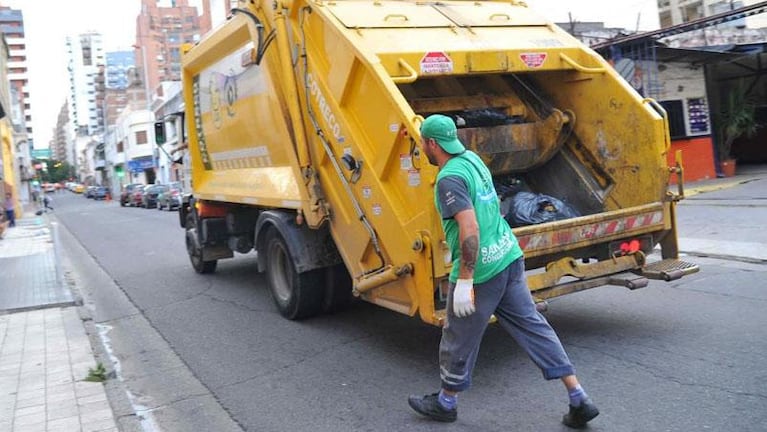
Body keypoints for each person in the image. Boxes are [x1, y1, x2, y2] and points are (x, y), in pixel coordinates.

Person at [407, 114, 599, 428]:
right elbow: (494, 204)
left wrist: (466, 279)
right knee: (534, 327)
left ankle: (445, 402)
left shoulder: (449, 178)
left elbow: (469, 228)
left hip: (482, 270)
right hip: (508, 256)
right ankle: (578, 396)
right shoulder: (474, 160)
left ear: (430, 143)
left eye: (421, 142)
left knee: (458, 336)